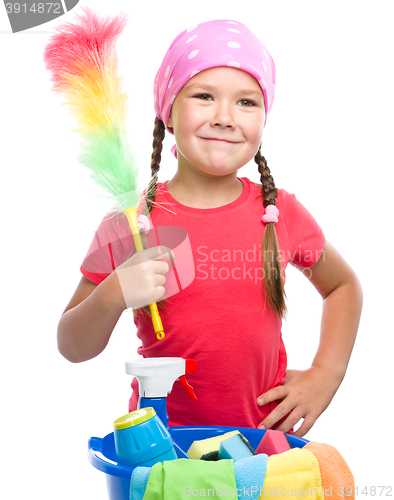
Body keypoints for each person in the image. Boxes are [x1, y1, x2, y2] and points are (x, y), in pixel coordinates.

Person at [57, 19, 362, 437]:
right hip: (162, 446)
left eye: (246, 103)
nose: (224, 117)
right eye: (204, 96)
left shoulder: (279, 212)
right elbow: (72, 346)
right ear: (168, 112)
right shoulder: (129, 222)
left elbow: (342, 286)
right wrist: (113, 293)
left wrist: (327, 373)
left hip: (263, 445)